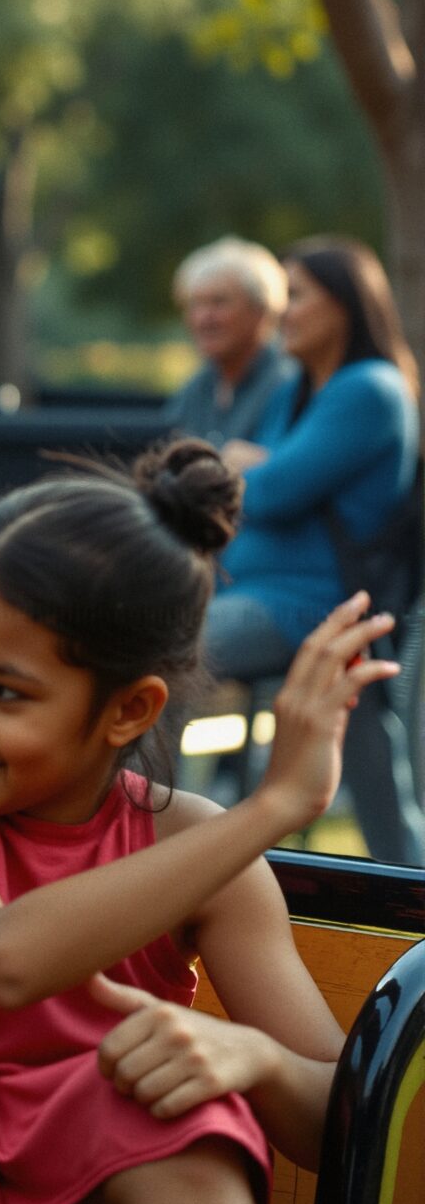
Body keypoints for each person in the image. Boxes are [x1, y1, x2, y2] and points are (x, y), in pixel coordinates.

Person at [0, 441, 373, 1204]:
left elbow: (342, 1118)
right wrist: (271, 808)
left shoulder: (194, 853)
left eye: (6, 692)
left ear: (129, 709)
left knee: (179, 1112)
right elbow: (3, 956)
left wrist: (249, 1057)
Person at [204, 236, 423, 865]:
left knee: (152, 652)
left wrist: (253, 467)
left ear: (346, 305)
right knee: (386, 807)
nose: (283, 313)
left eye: (297, 295)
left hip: (315, 609)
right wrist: (257, 468)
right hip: (259, 596)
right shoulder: (293, 390)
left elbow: (265, 493)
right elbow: (249, 478)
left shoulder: (371, 389)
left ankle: (147, 835)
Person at [163, 237, 295, 447]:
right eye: (195, 304)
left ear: (261, 311)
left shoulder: (288, 384)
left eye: (219, 302)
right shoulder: (197, 388)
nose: (203, 319)